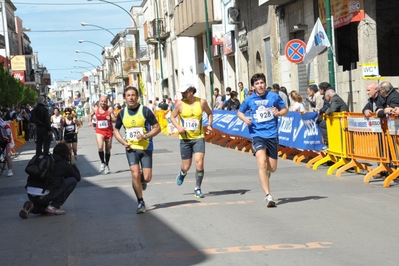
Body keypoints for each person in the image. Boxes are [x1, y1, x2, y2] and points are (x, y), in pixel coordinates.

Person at [237, 73, 288, 208]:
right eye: (257, 83)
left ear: (265, 84)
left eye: (261, 83)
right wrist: (245, 119)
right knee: (262, 163)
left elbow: (285, 110)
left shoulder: (273, 96)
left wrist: (279, 113)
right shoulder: (249, 99)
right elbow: (239, 112)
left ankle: (267, 174)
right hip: (257, 134)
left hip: (271, 134)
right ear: (253, 87)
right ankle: (268, 196)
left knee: (272, 168)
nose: (260, 85)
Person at [113, 86, 161, 214]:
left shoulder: (145, 111)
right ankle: (140, 201)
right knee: (135, 173)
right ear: (124, 98)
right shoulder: (122, 113)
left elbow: (157, 128)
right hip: (131, 148)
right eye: (128, 95)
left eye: (133, 95)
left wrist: (145, 136)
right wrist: (123, 142)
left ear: (137, 97)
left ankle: (142, 181)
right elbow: (116, 130)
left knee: (147, 177)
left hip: (146, 147)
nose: (131, 98)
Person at [170, 85, 213, 198]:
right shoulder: (179, 104)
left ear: (190, 91)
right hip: (185, 139)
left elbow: (210, 113)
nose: (182, 94)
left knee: (199, 162)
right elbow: (172, 117)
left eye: (184, 92)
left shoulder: (201, 102)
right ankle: (182, 173)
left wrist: (209, 125)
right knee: (186, 166)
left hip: (198, 137)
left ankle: (197, 188)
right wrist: (179, 127)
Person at [18, 142, 81, 219]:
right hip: (43, 195)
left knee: (45, 209)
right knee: (72, 180)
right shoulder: (63, 163)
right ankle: (54, 206)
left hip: (31, 194)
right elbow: (78, 178)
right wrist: (73, 163)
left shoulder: (47, 159)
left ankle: (32, 207)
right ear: (66, 154)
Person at [89, 96, 116, 174]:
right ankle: (102, 162)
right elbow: (90, 115)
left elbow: (114, 120)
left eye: (105, 101)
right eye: (102, 101)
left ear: (107, 102)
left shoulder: (110, 109)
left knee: (108, 149)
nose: (103, 103)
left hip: (108, 131)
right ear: (99, 102)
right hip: (99, 131)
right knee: (100, 147)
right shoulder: (95, 109)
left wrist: (110, 119)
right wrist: (90, 121)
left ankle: (107, 165)